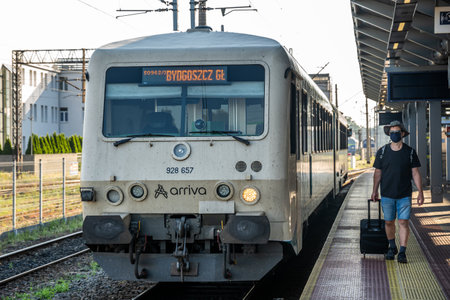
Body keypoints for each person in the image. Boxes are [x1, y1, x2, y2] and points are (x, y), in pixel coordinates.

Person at [371, 120, 424, 263]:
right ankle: (392, 246)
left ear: (402, 133)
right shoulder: (382, 152)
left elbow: (415, 173)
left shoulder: (410, 152)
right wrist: (374, 190)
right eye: (392, 132)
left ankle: (402, 252)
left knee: (403, 221)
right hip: (387, 194)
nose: (394, 134)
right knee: (389, 222)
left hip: (404, 194)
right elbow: (377, 173)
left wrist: (420, 192)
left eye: (397, 132)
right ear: (389, 134)